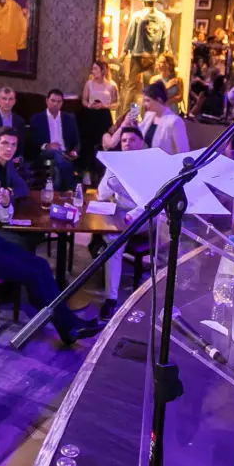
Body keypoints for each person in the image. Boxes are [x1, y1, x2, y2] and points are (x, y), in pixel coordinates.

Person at [0, 136, 100, 345]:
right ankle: (67, 326)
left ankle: (68, 324)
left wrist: (7, 204)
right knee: (34, 274)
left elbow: (4, 218)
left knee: (42, 265)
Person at [86, 125, 145, 320]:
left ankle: (111, 297)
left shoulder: (149, 164)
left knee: (115, 240)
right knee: (112, 237)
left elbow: (153, 200)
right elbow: (103, 193)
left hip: (144, 215)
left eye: (132, 140)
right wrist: (113, 169)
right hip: (119, 212)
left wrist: (132, 216)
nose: (127, 144)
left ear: (141, 143)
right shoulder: (117, 163)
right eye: (124, 141)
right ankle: (111, 298)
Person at [29, 89, 80, 189]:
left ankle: (57, 194)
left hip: (65, 153)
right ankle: (72, 188)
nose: (55, 104)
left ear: (62, 103)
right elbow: (32, 141)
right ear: (47, 101)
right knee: (56, 153)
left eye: (59, 101)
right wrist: (47, 146)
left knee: (57, 168)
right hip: (44, 153)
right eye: (53, 100)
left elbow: (77, 141)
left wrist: (74, 151)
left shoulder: (69, 118)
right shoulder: (37, 118)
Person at [80, 61, 117, 177]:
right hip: (90, 116)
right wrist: (89, 105)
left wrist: (104, 106)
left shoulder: (112, 85)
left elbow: (116, 104)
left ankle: (101, 174)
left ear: (103, 70)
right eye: (93, 69)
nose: (93, 71)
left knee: (103, 144)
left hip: (104, 116)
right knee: (89, 144)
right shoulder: (89, 84)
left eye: (95, 69)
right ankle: (87, 174)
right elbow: (84, 100)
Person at [137, 80, 189, 155]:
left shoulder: (175, 121)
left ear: (159, 100)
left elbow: (183, 151)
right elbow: (138, 134)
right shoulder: (149, 116)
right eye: (144, 101)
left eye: (148, 101)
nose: (144, 104)